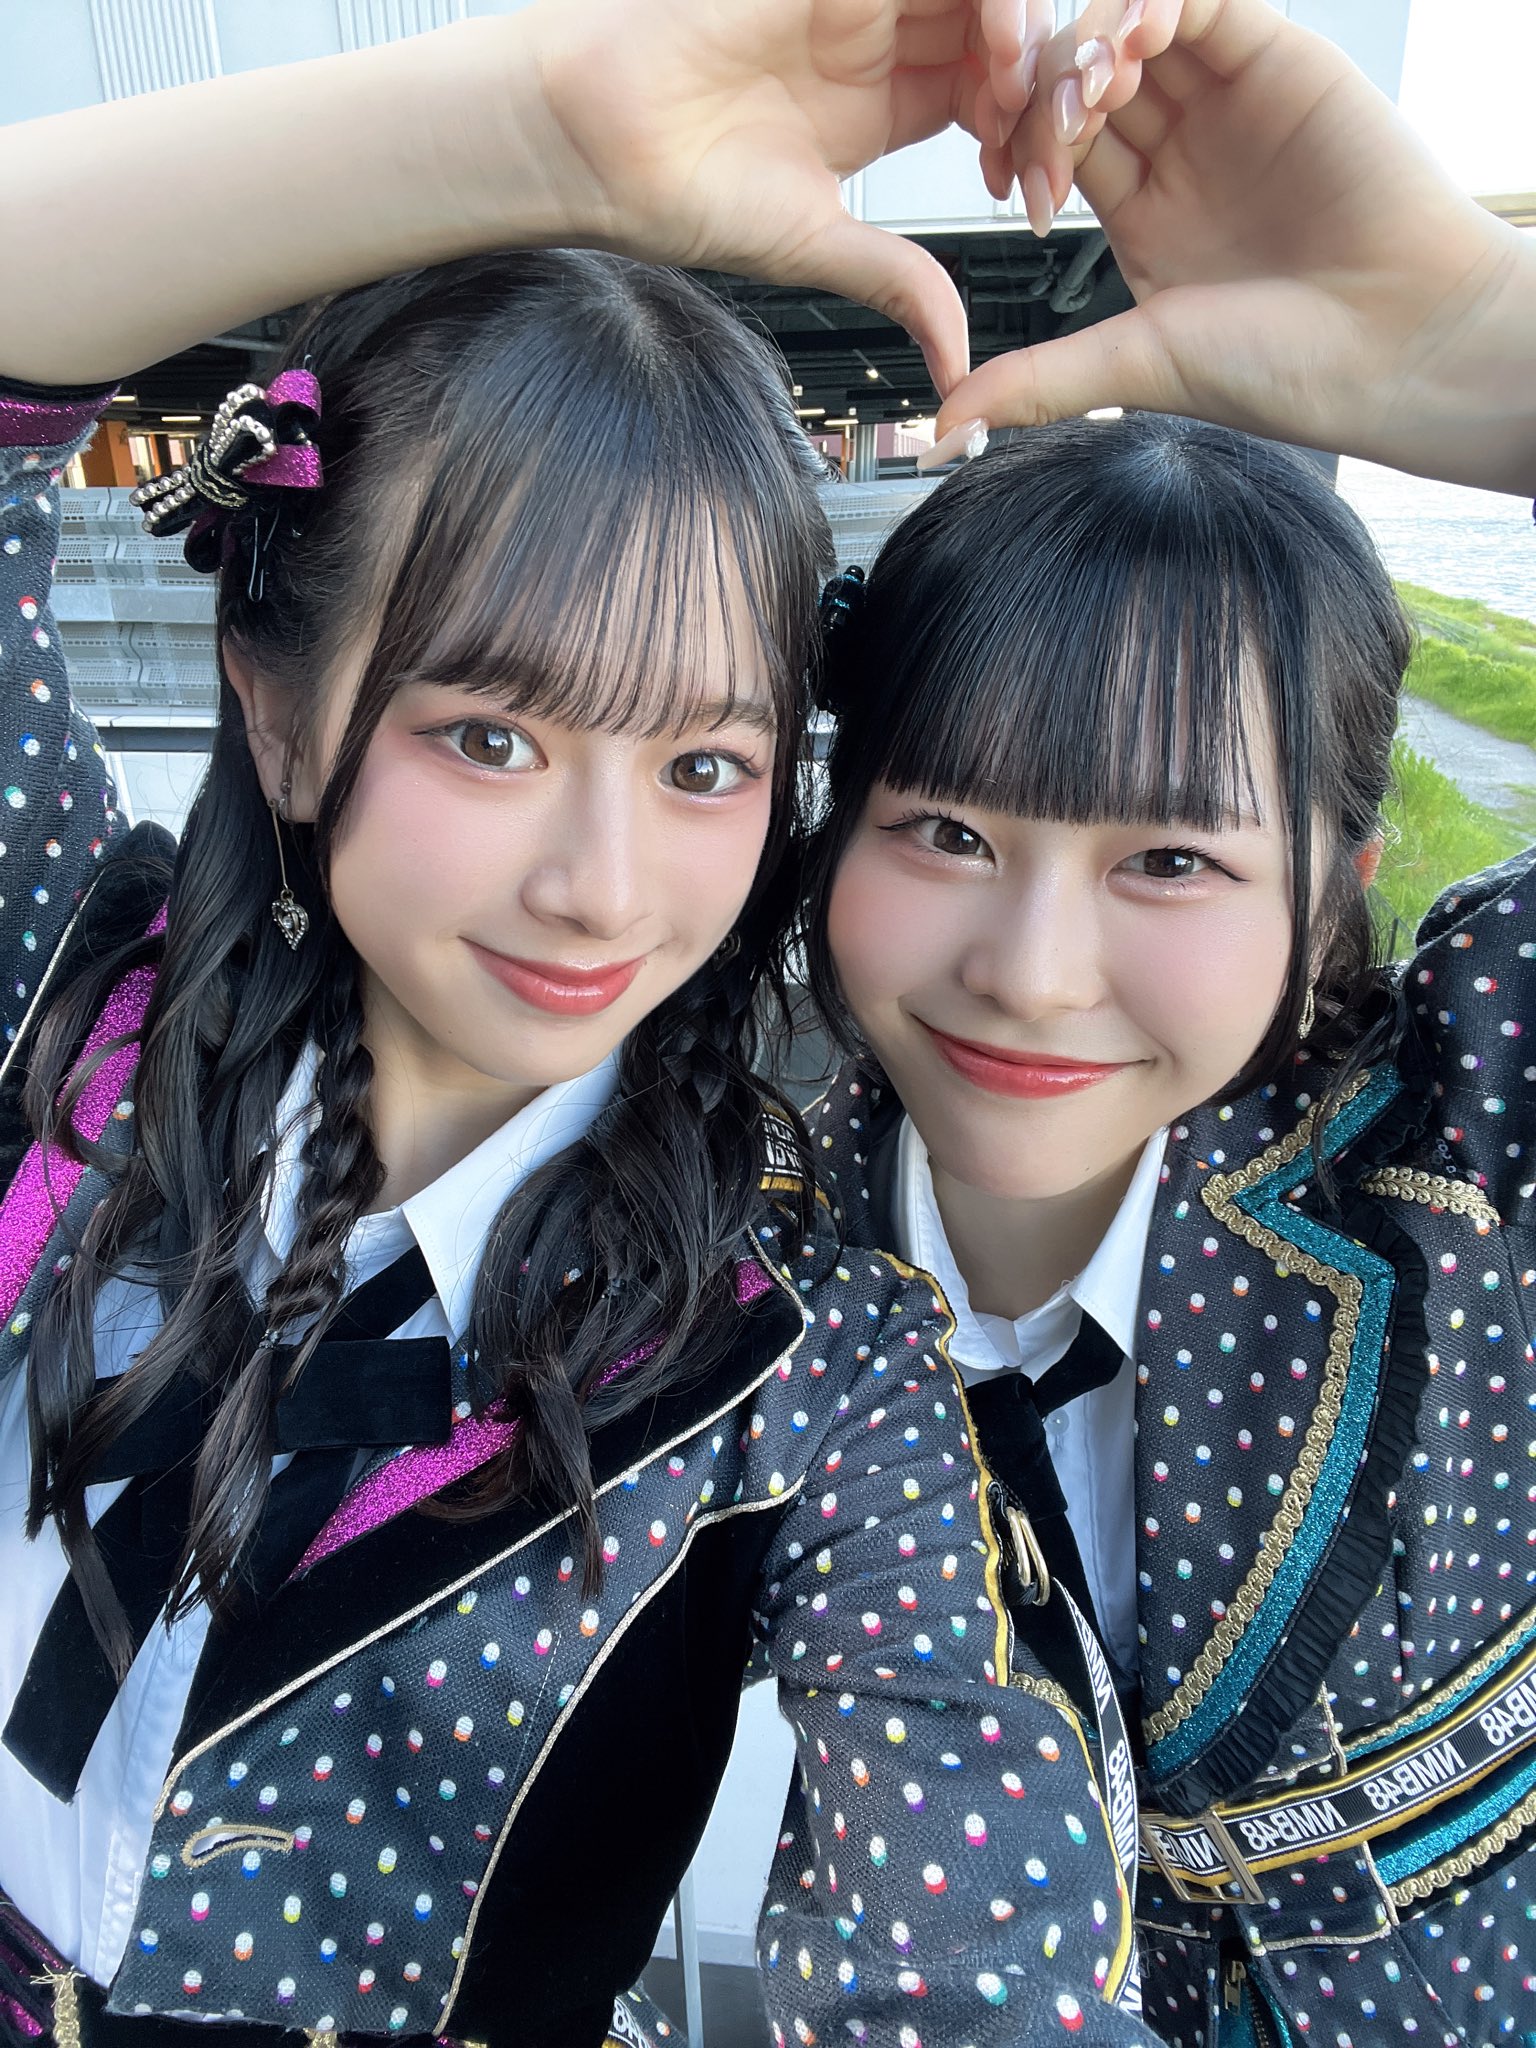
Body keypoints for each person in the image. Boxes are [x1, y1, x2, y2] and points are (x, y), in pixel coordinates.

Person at [0, 7, 1154, 2046]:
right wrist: (533, 121)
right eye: (493, 734)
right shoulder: (69, 986)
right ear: (278, 710)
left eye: (703, 765)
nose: (604, 890)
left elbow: (981, 1953)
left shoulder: (806, 1368)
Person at [800, 3, 1536, 2045]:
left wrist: (1483, 347)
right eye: (949, 830)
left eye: (1176, 861)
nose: (1033, 972)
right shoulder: (723, 1233)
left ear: (1337, 881)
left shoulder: (1471, 1132)